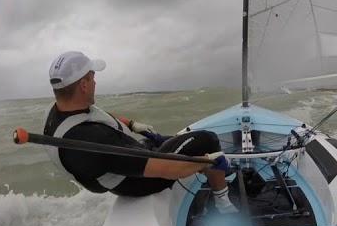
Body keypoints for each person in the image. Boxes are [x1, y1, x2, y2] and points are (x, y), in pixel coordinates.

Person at [43, 51, 238, 213]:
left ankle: (213, 171)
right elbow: (167, 168)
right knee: (207, 139)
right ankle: (224, 204)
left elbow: (94, 115)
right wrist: (206, 161)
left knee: (174, 140)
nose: (95, 83)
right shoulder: (95, 142)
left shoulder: (59, 110)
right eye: (92, 78)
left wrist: (132, 124)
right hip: (139, 182)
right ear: (83, 85)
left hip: (123, 158)